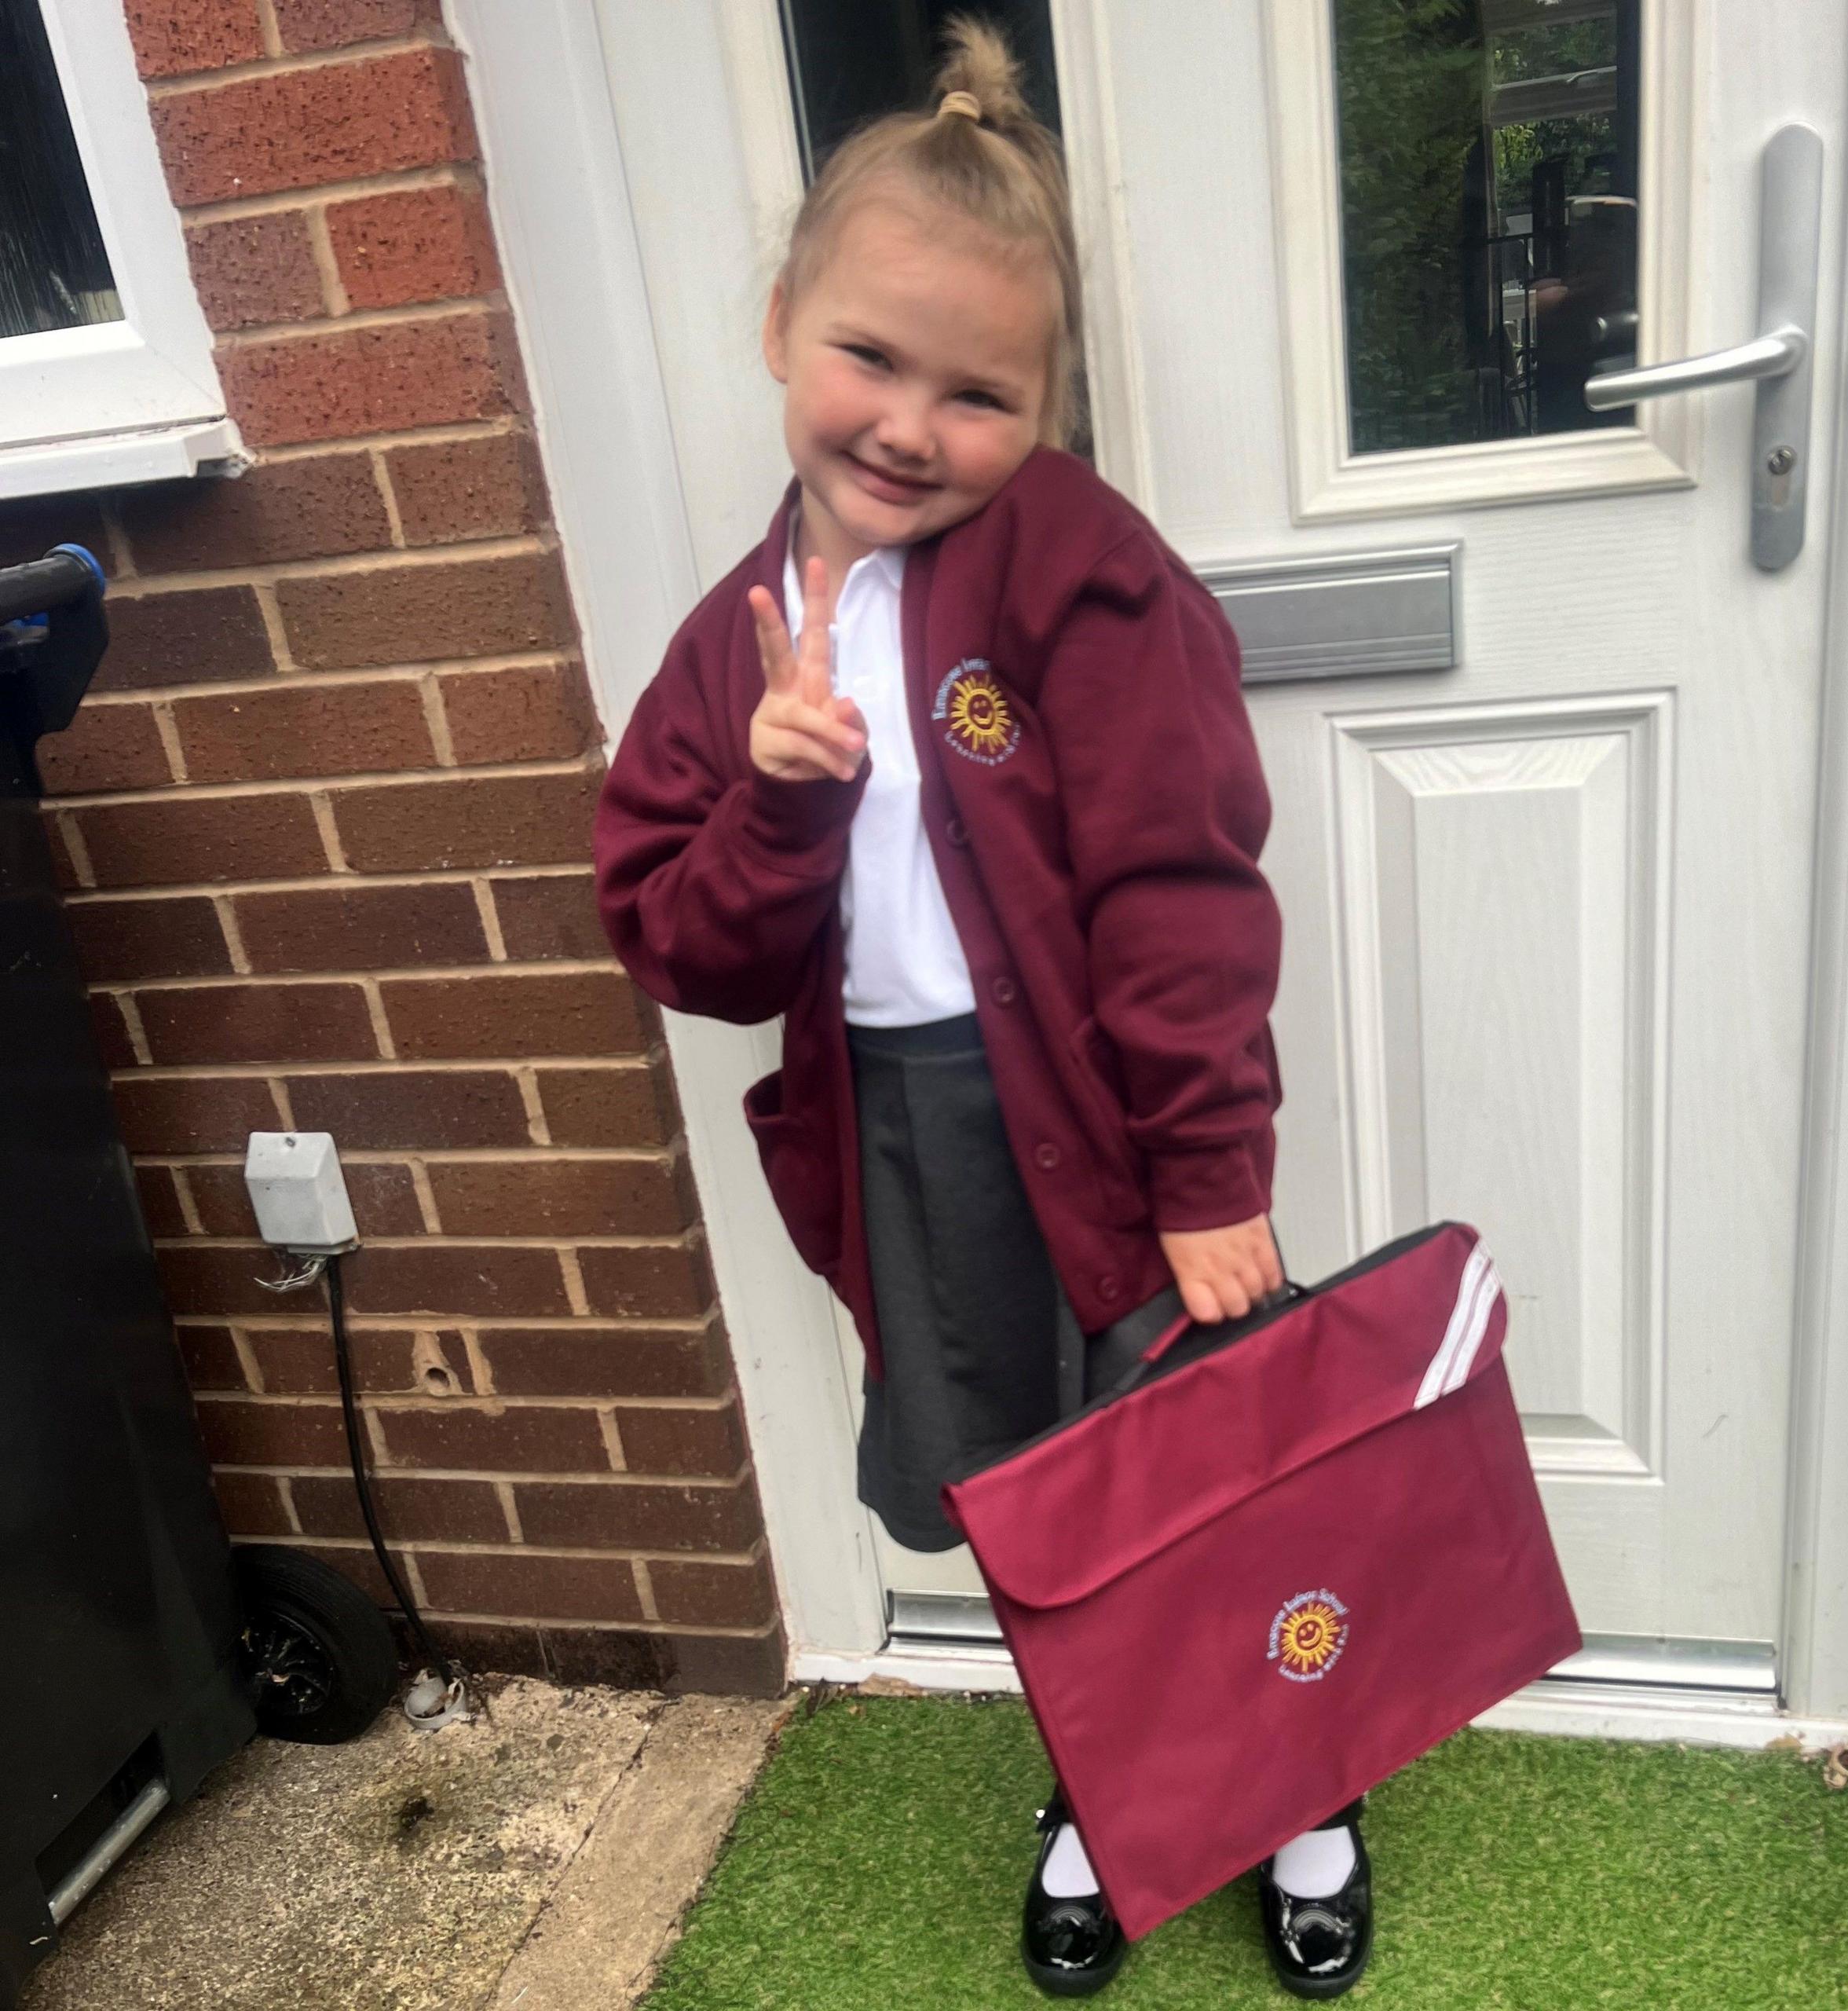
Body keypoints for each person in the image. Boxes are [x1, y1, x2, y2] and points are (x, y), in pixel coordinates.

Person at [593, 16, 1370, 1998]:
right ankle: (1108, 1784)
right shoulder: (725, 647)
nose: (911, 425)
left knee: (1206, 1472)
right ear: (779, 324)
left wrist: (1209, 1167)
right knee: (1045, 1506)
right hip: (915, 1152)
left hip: (1116, 1141)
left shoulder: (1082, 577)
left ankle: (1300, 1778)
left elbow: (1178, 889)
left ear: (1045, 409)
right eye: (869, 355)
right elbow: (683, 949)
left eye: (980, 391)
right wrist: (775, 793)